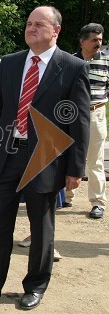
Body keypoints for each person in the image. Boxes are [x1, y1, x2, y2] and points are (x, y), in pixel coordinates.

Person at [0, 6, 90, 310]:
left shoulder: (71, 67)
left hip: (45, 158)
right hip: (5, 156)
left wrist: (76, 168)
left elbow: (80, 121)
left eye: (39, 24)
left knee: (41, 227)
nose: (31, 28)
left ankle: (35, 285)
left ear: (55, 31)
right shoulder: (10, 62)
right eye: (29, 24)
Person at [65, 23, 108, 219]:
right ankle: (66, 196)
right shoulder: (70, 61)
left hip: (95, 113)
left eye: (100, 40)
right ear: (82, 41)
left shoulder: (106, 61)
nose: (98, 44)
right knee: (69, 155)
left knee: (95, 160)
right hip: (72, 115)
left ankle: (98, 202)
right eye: (94, 40)